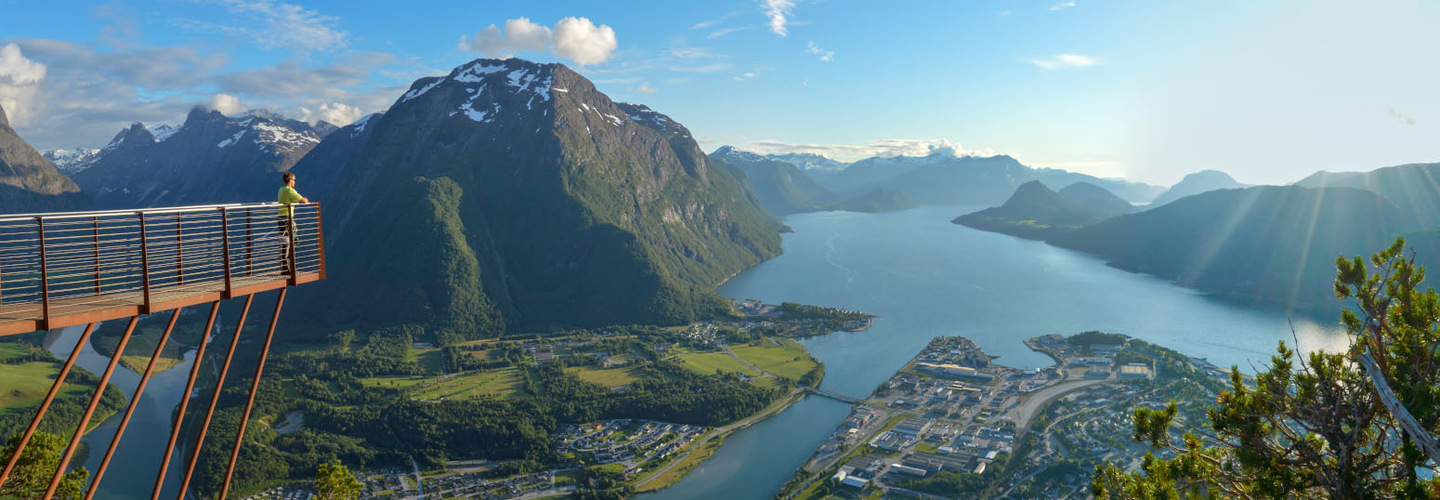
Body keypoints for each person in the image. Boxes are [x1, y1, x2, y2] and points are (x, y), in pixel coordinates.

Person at [278, 172, 309, 275]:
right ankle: (287, 268)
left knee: (285, 243)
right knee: (290, 242)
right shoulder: (290, 191)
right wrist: (305, 199)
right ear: (290, 180)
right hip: (287, 219)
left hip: (281, 219)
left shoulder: (281, 189)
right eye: (294, 180)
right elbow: (303, 200)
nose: (295, 182)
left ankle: (285, 267)